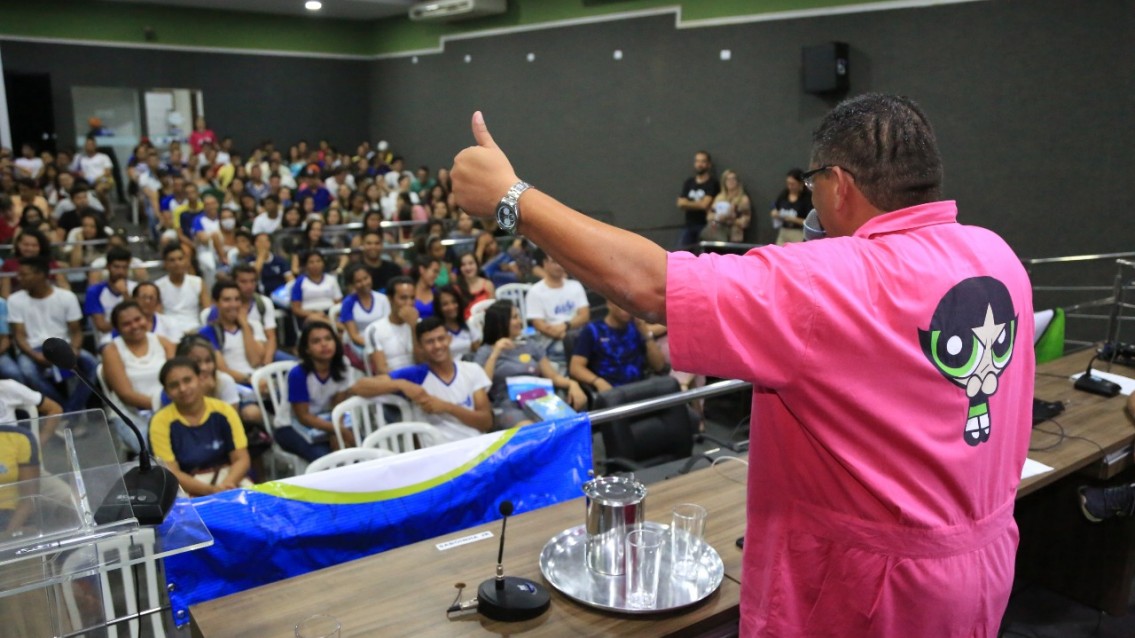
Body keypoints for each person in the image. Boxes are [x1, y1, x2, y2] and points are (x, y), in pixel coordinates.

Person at [452, 95, 1035, 636]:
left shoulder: (829, 279)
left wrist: (514, 200)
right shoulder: (997, 256)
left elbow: (649, 285)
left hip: (867, 592)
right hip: (981, 567)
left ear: (837, 185)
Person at [354, 317, 493, 443]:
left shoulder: (472, 370)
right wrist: (402, 385)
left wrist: (447, 407)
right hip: (436, 454)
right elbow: (359, 386)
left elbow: (486, 422)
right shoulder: (416, 375)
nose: (437, 346)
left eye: (441, 339)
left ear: (449, 339)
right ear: (420, 347)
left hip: (475, 446)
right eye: (430, 342)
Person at [474, 300, 586, 428]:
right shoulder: (485, 351)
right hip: (508, 405)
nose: (520, 322)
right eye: (514, 317)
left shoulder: (530, 344)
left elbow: (553, 377)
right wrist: (495, 353)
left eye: (519, 317)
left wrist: (573, 384)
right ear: (500, 322)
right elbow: (482, 386)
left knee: (568, 426)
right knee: (533, 432)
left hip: (540, 398)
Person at [150, 357, 252, 497]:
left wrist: (225, 487)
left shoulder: (224, 411)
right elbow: (171, 472)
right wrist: (211, 491)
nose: (183, 389)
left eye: (187, 380)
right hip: (187, 486)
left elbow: (241, 459)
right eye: (174, 385)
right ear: (166, 392)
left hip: (228, 479)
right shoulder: (160, 421)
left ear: (200, 379)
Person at [9, 257, 98, 413]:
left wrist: (74, 350)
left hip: (62, 345)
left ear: (41, 275)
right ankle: (66, 412)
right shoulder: (15, 300)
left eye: (24, 274)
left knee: (91, 364)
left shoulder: (66, 297)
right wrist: (35, 355)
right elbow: (19, 336)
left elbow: (76, 332)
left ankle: (68, 412)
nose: (19, 278)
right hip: (33, 349)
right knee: (27, 370)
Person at [101, 301, 175, 452]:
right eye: (127, 324)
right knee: (155, 446)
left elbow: (175, 378)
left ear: (146, 318)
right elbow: (126, 395)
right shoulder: (111, 351)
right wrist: (162, 404)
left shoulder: (164, 342)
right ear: (117, 328)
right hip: (131, 415)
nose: (135, 326)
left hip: (169, 407)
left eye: (138, 319)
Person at [281, 322, 355, 461]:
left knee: (354, 447)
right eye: (316, 341)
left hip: (326, 420)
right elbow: (303, 417)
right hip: (291, 426)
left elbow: (338, 405)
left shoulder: (343, 364)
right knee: (326, 459)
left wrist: (336, 431)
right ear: (307, 349)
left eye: (328, 339)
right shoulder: (298, 373)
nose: (324, 344)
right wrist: (337, 430)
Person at [569, 301, 666, 392]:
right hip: (612, 392)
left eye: (629, 306)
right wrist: (597, 381)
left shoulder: (637, 328)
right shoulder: (593, 330)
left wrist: (645, 334)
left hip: (640, 389)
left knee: (669, 386)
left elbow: (659, 366)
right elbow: (575, 367)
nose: (626, 310)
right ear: (609, 304)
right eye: (621, 305)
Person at [525, 249, 590, 365]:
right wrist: (563, 335)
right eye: (554, 262)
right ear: (545, 263)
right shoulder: (535, 292)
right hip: (551, 342)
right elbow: (539, 325)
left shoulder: (575, 286)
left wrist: (566, 326)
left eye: (560, 261)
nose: (559, 266)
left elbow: (585, 315)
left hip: (578, 336)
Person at [198, 281, 267, 386]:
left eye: (237, 299)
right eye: (227, 300)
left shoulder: (251, 327)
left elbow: (255, 361)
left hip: (259, 379)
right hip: (236, 384)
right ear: (215, 303)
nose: (233, 305)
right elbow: (222, 370)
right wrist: (250, 379)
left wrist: (244, 325)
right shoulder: (208, 332)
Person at [83, 247, 139, 347]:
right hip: (108, 340)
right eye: (116, 267)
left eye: (124, 267)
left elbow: (140, 319)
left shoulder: (136, 288)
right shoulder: (94, 292)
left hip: (136, 336)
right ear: (108, 267)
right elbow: (102, 326)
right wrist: (127, 325)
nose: (120, 271)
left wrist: (125, 294)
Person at [365, 276, 419, 375]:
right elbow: (381, 369)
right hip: (392, 382)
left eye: (412, 298)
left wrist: (414, 327)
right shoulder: (374, 329)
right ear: (390, 299)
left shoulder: (421, 325)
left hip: (421, 380)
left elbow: (423, 363)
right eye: (403, 298)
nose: (409, 303)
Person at [339, 265, 390, 362]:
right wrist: (375, 345)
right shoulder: (348, 303)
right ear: (352, 284)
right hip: (359, 344)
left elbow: (388, 325)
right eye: (358, 281)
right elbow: (354, 336)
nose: (364, 283)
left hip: (383, 340)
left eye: (366, 278)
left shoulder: (382, 299)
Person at [0, 228, 69, 298]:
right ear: (18, 245)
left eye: (34, 245)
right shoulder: (8, 264)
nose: (30, 249)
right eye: (26, 245)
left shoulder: (50, 263)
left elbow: (64, 287)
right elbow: (5, 294)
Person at [676, 151, 719, 248]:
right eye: (697, 161)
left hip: (706, 226)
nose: (700, 164)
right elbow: (680, 203)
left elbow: (705, 205)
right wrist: (698, 204)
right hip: (689, 225)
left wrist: (687, 203)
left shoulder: (712, 183)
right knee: (681, 253)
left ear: (709, 164)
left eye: (703, 161)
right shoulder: (689, 182)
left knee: (704, 255)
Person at [290, 251, 343, 324]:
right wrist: (314, 314)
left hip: (330, 314)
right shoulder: (300, 282)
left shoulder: (331, 280)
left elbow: (338, 303)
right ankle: (334, 326)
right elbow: (296, 309)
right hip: (309, 316)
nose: (315, 265)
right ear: (306, 265)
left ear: (323, 263)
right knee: (314, 319)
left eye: (318, 261)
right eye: (311, 262)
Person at [703, 169, 752, 243]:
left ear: (738, 182)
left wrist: (731, 219)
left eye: (733, 179)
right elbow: (709, 216)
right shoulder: (719, 197)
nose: (730, 182)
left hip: (734, 234)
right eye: (728, 179)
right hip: (717, 233)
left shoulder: (743, 199)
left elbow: (745, 221)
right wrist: (718, 217)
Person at [770, 168, 812, 245]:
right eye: (788, 183)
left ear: (801, 184)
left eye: (793, 184)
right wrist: (775, 212)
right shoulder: (784, 194)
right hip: (783, 231)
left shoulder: (807, 198)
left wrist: (793, 219)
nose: (790, 187)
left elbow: (809, 221)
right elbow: (775, 206)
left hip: (798, 233)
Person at [433, 285, 476, 359]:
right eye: (445, 304)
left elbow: (478, 348)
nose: (451, 307)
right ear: (438, 307)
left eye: (454, 302)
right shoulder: (435, 331)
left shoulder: (468, 326)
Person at [455, 251, 494, 317]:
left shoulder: (488, 285)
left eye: (471, 263)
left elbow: (494, 309)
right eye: (463, 265)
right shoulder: (456, 288)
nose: (468, 268)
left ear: (477, 265)